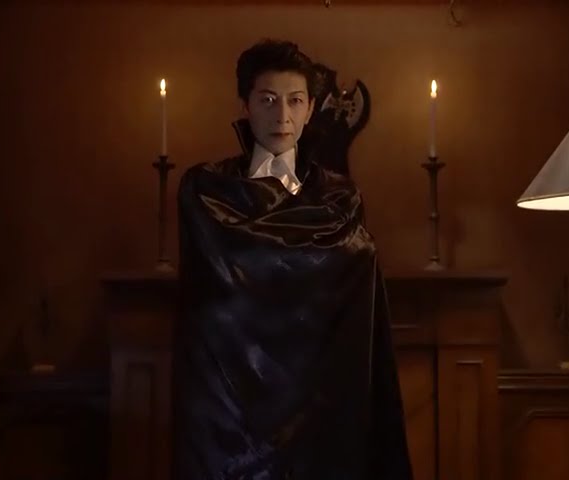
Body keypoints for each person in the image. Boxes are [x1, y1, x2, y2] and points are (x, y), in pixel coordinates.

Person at [172, 39, 413, 480]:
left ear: (310, 109)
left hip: (319, 401)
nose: (282, 115)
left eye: (295, 101)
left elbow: (351, 287)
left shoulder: (339, 197)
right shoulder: (208, 189)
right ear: (246, 105)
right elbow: (210, 296)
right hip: (232, 407)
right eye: (268, 100)